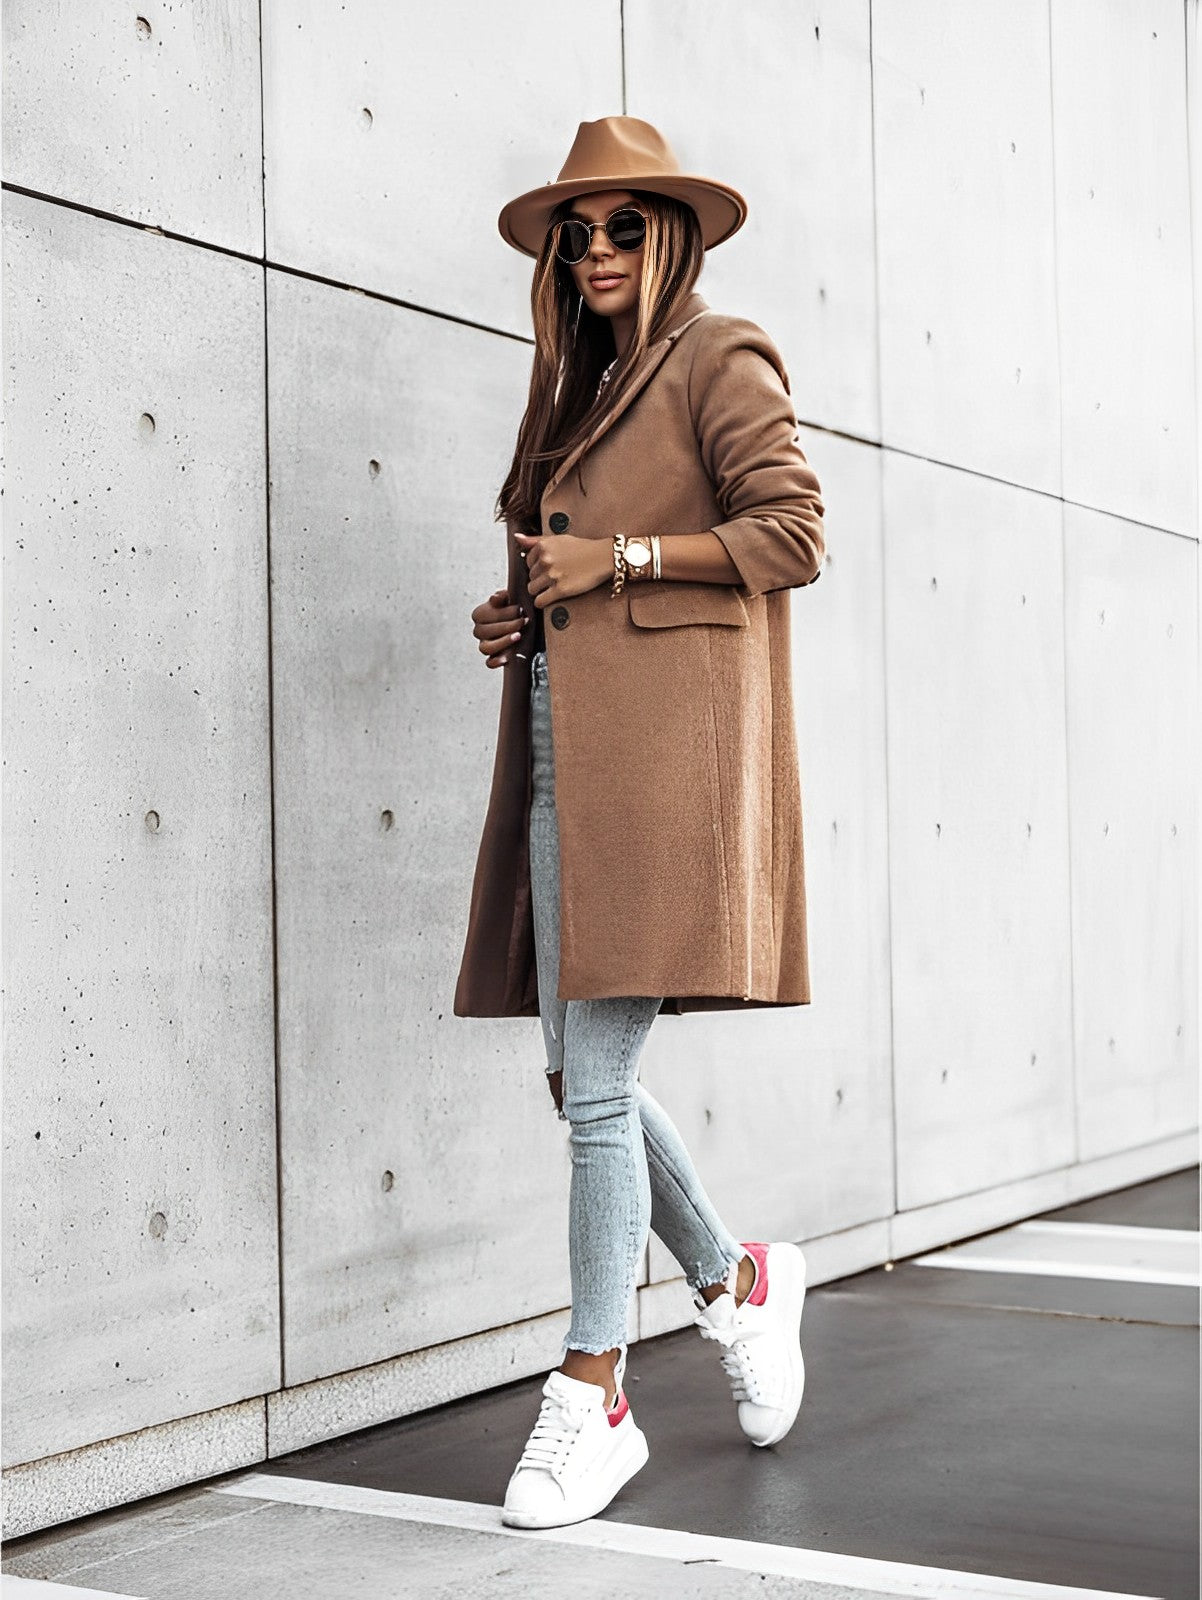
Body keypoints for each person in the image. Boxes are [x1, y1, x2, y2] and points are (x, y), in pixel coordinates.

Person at [454, 116, 826, 1530]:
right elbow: (565, 572)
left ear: (667, 236)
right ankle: (736, 1280)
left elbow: (789, 529)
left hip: (665, 762)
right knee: (576, 1080)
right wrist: (522, 612)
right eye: (577, 232)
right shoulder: (571, 387)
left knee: (596, 1086)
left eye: (622, 226)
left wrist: (615, 561)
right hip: (561, 749)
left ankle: (592, 1392)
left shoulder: (716, 355)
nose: (597, 251)